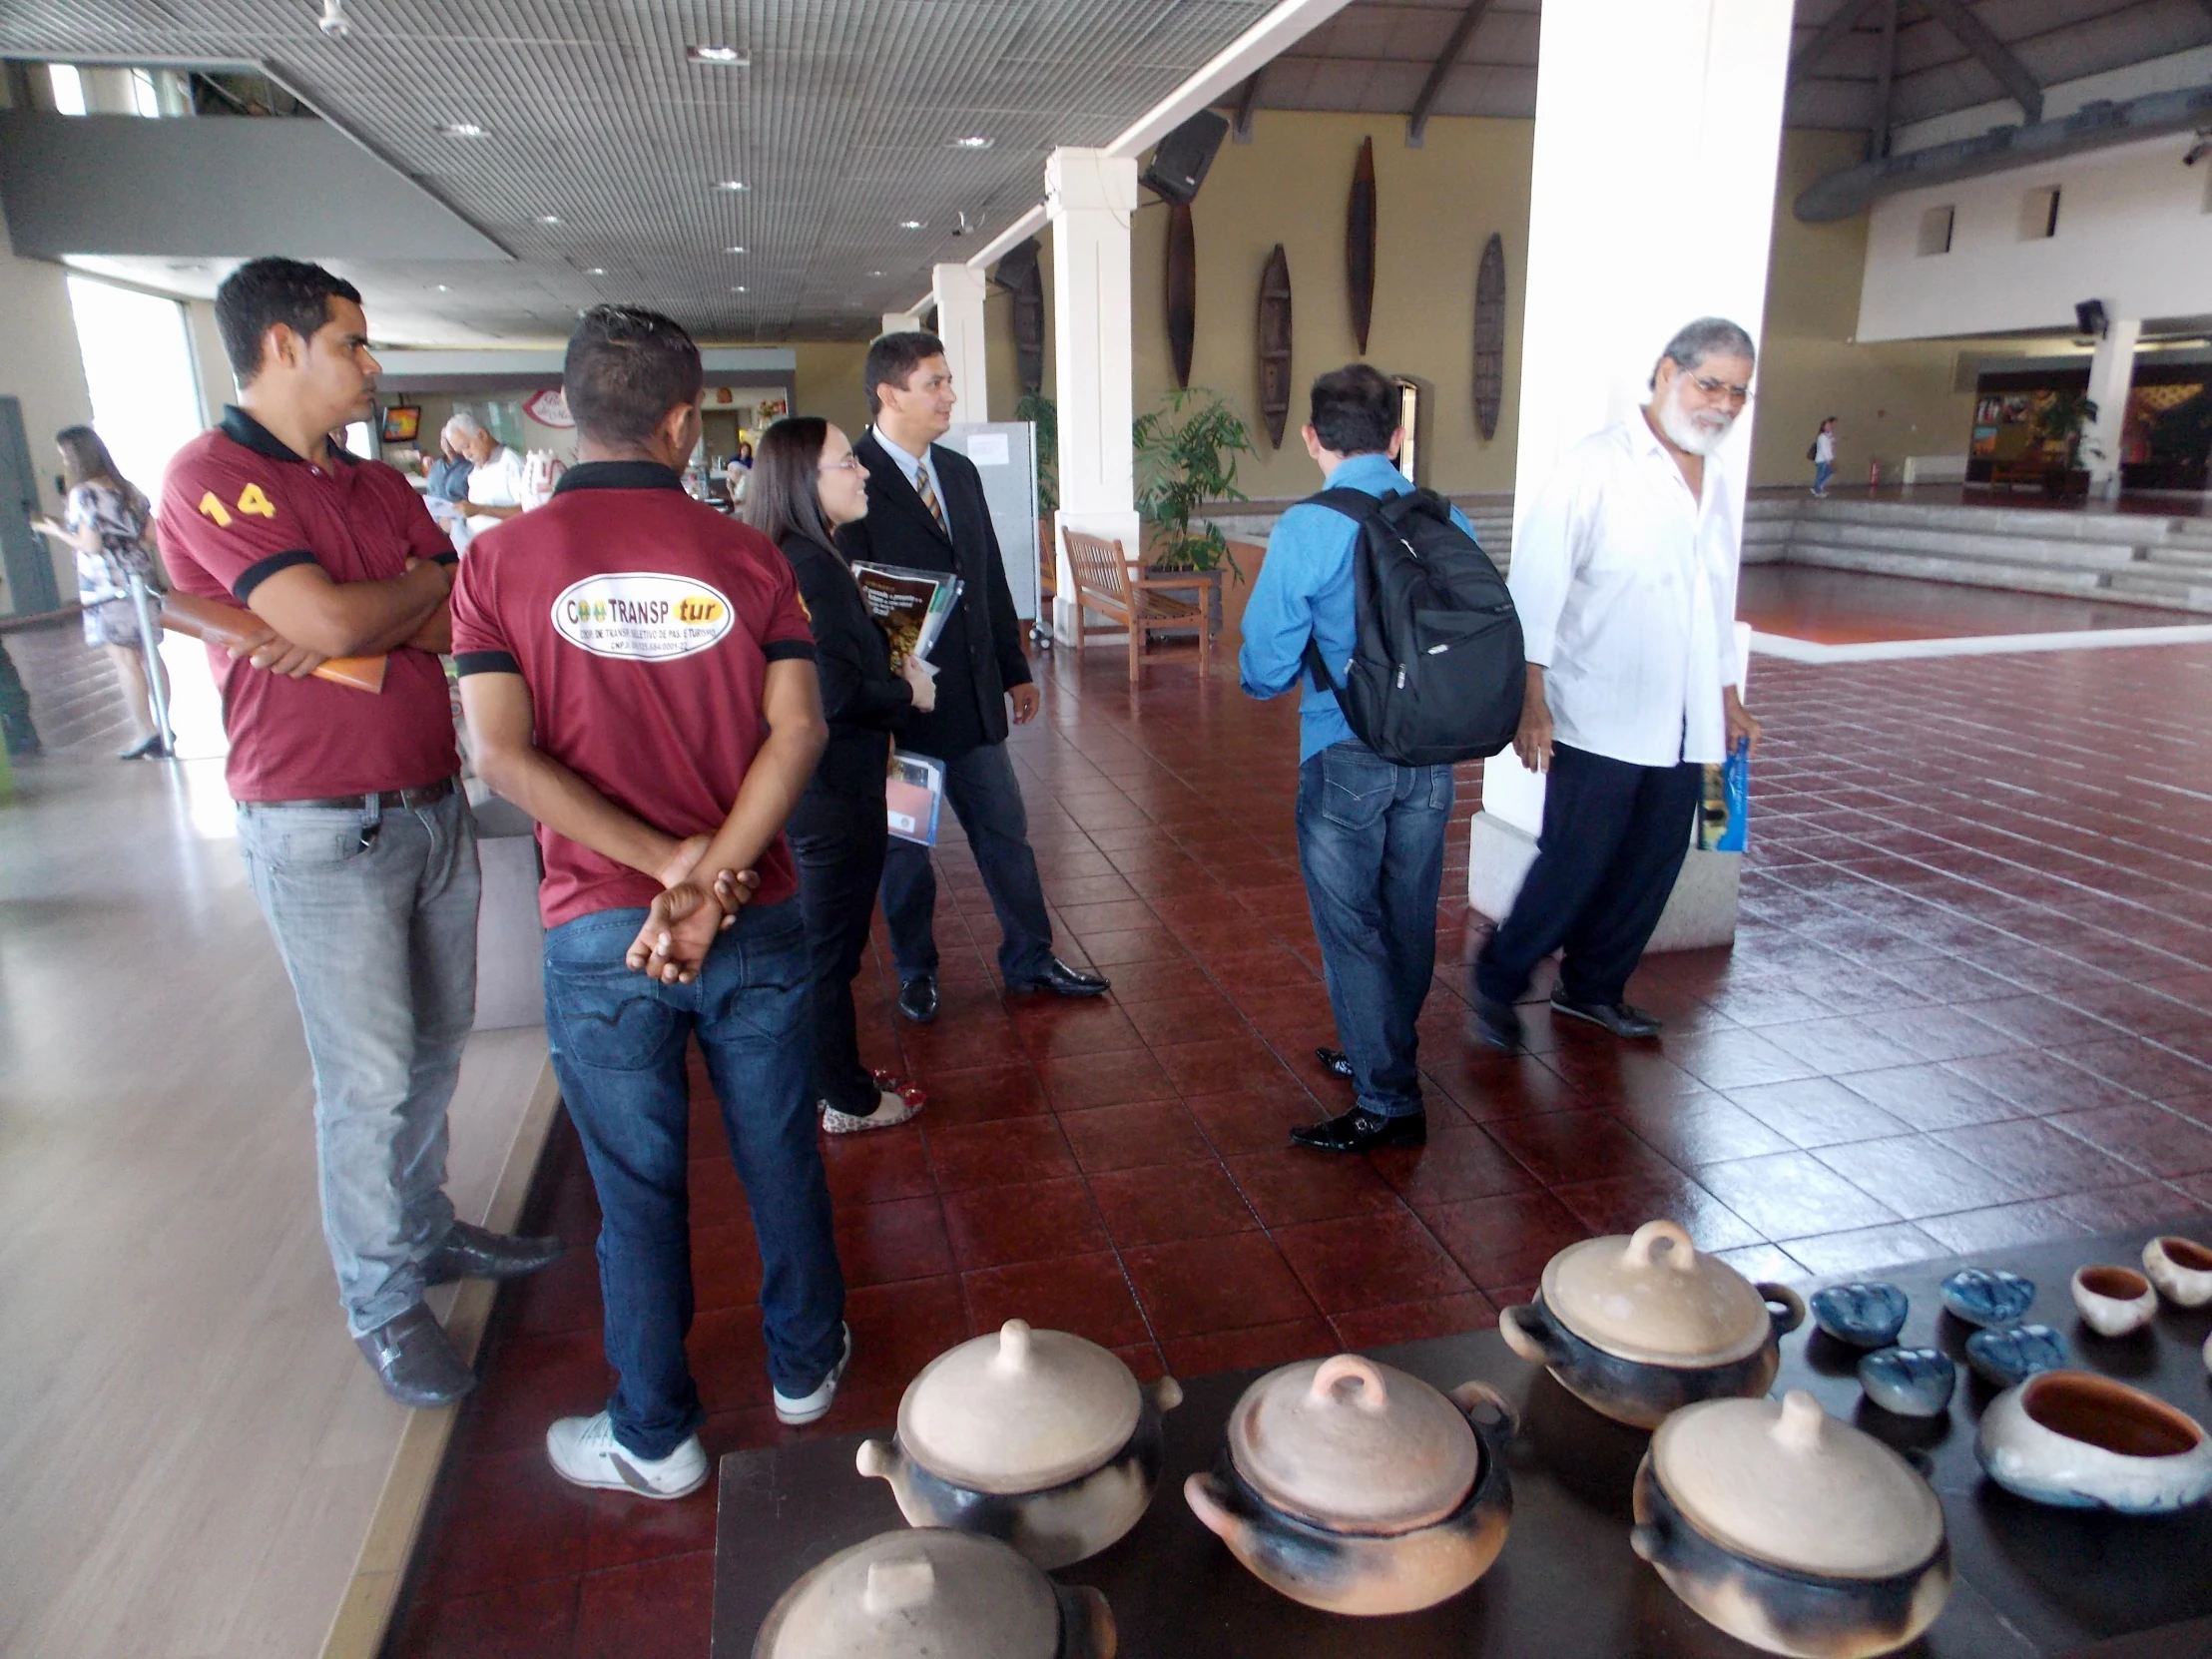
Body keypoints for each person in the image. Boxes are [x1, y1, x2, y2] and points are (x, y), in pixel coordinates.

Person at [452, 304, 848, 1500]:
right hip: (757, 913)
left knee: (632, 1184)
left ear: (566, 411)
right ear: (684, 421)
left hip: (595, 929)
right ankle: (804, 1369)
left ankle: (655, 1434)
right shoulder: (747, 556)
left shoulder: (496, 563)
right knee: (779, 1151)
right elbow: (799, 730)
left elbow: (503, 761)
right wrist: (713, 875)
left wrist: (660, 869)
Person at [159, 256, 561, 1409]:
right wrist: (385, 600)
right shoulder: (212, 477)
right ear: (282, 346)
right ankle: (383, 1300)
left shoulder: (372, 484)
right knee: (369, 1075)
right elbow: (365, 608)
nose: (370, 364)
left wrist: (373, 604)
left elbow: (451, 603)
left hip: (426, 798)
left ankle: (427, 1230)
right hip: (313, 821)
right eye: (352, 342)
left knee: (435, 1049)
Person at [1473, 316, 1765, 1053]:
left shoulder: (1718, 480)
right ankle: (1498, 979)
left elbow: (1715, 596)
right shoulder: (1595, 465)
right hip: (1599, 709)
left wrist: (1727, 694)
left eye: (1738, 393)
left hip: (1687, 714)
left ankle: (1593, 987)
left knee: (1654, 861)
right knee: (1578, 858)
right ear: (1667, 373)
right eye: (1711, 385)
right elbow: (1537, 586)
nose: (1724, 405)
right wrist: (1529, 699)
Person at [836, 331, 1106, 1021]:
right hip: (904, 717)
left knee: (1006, 836)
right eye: (935, 382)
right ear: (890, 393)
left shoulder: (957, 473)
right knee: (907, 852)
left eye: (948, 381)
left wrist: (1016, 669)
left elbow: (986, 575)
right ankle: (916, 972)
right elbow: (853, 606)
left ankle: (1031, 958)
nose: (949, 395)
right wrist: (886, 699)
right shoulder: (854, 478)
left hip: (976, 703)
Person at [1239, 364, 1473, 1154]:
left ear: (1312, 438)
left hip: (1345, 750)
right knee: (1408, 912)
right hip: (1433, 751)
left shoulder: (1310, 526)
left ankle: (1387, 1098)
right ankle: (1382, 1045)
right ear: (1398, 437)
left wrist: (1275, 671)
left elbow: (1267, 665)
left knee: (1351, 928)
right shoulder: (1445, 515)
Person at [750, 417, 936, 1134]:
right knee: (827, 956)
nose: (862, 473)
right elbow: (833, 694)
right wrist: (906, 693)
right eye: (846, 463)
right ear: (804, 480)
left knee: (823, 949)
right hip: (831, 796)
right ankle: (845, 1098)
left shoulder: (798, 554)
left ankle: (834, 1074)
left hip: (819, 790)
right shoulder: (814, 568)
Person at [34, 426, 172, 758]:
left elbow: (90, 545)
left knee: (125, 660)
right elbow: (153, 535)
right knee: (150, 655)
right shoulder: (128, 489)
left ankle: (144, 730)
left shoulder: (83, 494)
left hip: (106, 584)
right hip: (140, 575)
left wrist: (56, 531)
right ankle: (165, 723)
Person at [449, 411, 528, 538]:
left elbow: (528, 511)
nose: (466, 455)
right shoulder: (476, 471)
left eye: (467, 446)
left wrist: (480, 509)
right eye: (461, 451)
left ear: (481, 435)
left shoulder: (512, 464)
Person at [1811, 416, 1837, 497]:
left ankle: (1819, 487)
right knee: (1821, 474)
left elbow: (1831, 442)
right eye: (1828, 425)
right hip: (1822, 460)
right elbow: (1825, 449)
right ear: (1823, 427)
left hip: (1824, 460)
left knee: (1828, 473)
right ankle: (1817, 490)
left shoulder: (1826, 436)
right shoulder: (1822, 437)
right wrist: (1828, 459)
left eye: (1830, 425)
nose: (1830, 427)